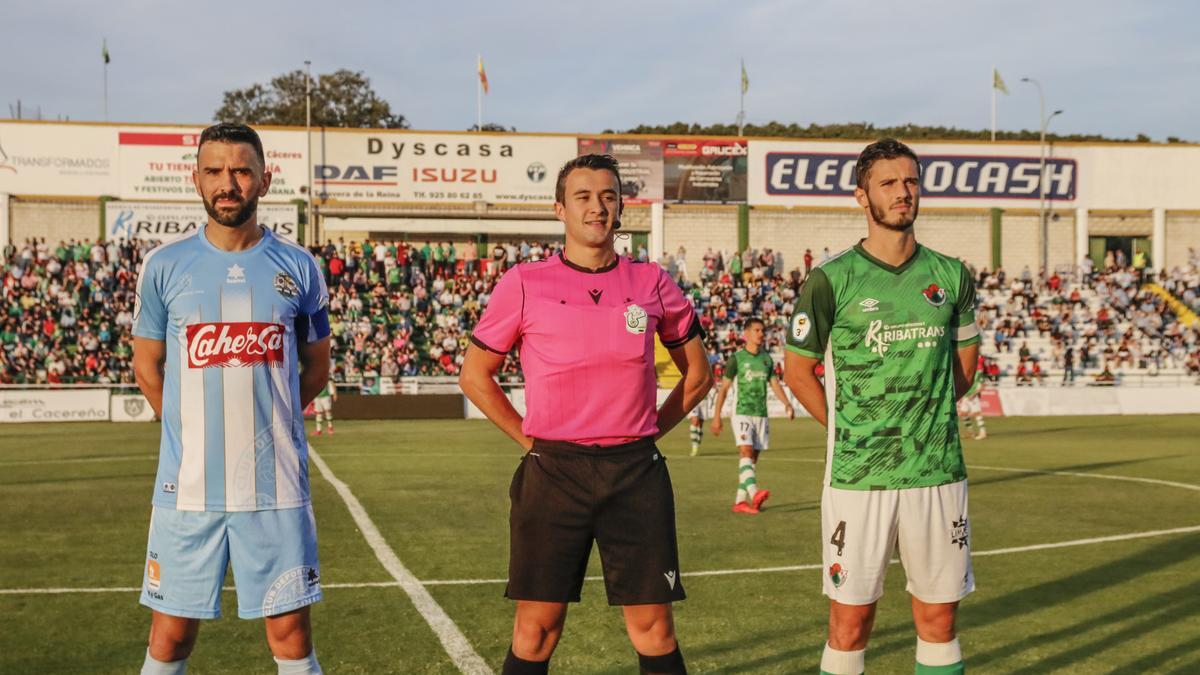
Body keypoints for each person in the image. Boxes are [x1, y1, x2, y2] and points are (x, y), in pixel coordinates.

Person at [459, 153, 712, 675]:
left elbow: (699, 375)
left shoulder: (651, 282)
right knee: (536, 631)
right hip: (552, 473)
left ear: (620, 208)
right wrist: (528, 439)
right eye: (583, 196)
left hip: (635, 474)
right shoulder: (524, 283)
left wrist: (646, 431)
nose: (597, 207)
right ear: (560, 208)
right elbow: (474, 376)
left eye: (608, 196)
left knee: (655, 629)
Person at [131, 123, 331, 675]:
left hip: (276, 486)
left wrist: (274, 419)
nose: (228, 183)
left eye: (241, 170)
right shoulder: (164, 265)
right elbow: (148, 367)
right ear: (196, 178)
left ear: (264, 180)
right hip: (187, 488)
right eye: (215, 171)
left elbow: (316, 367)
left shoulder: (299, 267)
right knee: (169, 637)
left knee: (290, 635)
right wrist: (188, 430)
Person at [782, 138, 980, 675]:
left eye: (911, 181)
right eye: (888, 183)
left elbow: (964, 367)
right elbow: (797, 372)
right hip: (857, 476)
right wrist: (847, 427)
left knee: (939, 621)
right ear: (861, 196)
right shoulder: (830, 279)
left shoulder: (952, 275)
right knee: (850, 624)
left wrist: (927, 418)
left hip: (936, 470)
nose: (903, 193)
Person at [710, 318, 795, 514]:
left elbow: (774, 384)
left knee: (751, 460)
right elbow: (723, 390)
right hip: (742, 412)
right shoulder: (736, 359)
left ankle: (740, 502)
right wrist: (716, 417)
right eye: (757, 330)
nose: (761, 334)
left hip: (761, 415)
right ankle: (754, 492)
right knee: (746, 452)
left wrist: (787, 403)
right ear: (746, 334)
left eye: (762, 330)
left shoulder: (766, 359)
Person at [959, 357, 987, 440]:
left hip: (973, 396)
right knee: (963, 413)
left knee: (977, 413)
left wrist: (974, 394)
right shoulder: (966, 371)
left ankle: (983, 432)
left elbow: (982, 386)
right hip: (966, 395)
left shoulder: (979, 373)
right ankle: (970, 432)